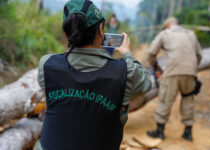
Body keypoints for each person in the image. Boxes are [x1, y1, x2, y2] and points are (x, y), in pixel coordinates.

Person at [34, 0, 152, 150]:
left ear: (66, 34)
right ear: (101, 30)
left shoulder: (47, 65)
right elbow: (145, 84)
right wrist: (128, 54)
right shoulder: (124, 72)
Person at [146, 17, 202, 141]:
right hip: (190, 72)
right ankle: (188, 133)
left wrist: (156, 67)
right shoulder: (191, 34)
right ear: (177, 24)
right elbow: (199, 55)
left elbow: (150, 53)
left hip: (172, 71)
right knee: (188, 99)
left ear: (166, 26)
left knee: (165, 99)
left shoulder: (165, 33)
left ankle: (160, 131)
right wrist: (191, 69)